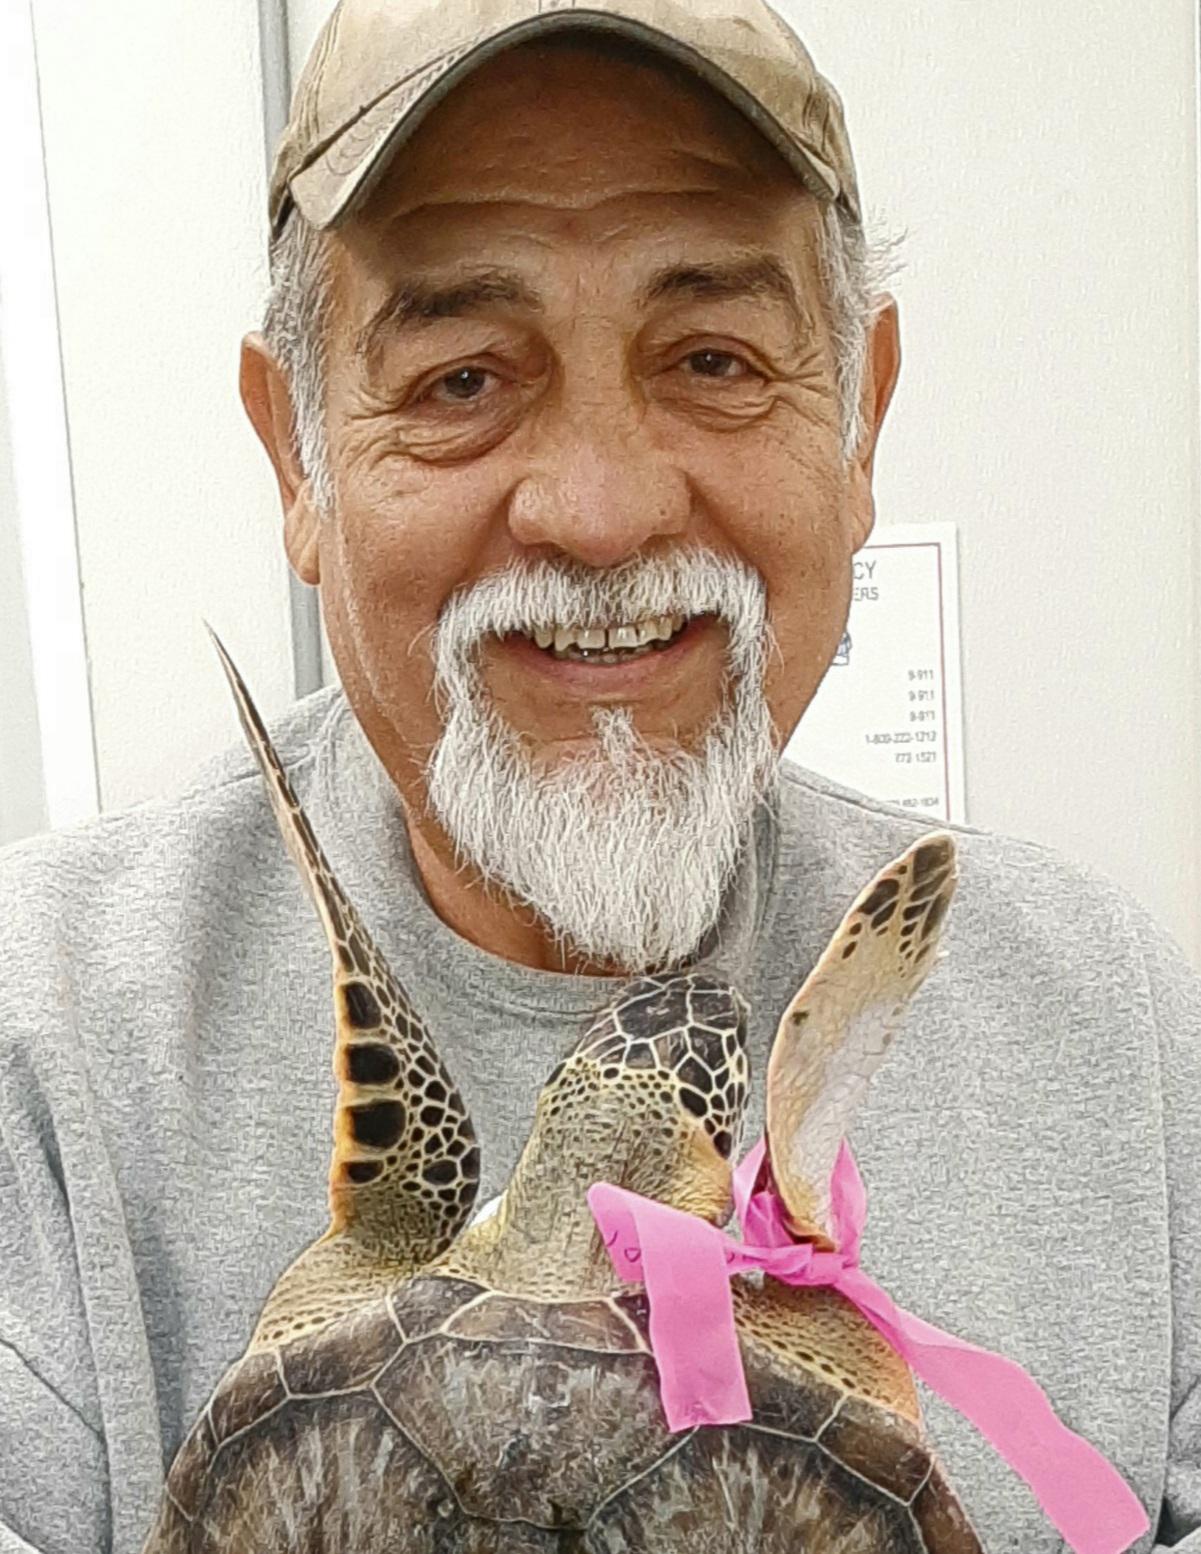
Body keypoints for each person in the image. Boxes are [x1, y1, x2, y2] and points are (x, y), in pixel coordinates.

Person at [0, 0, 1197, 1549]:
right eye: (461, 378)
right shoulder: (45, 1040)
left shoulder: (1122, 1029)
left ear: (858, 421)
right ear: (297, 456)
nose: (601, 509)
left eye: (711, 358)